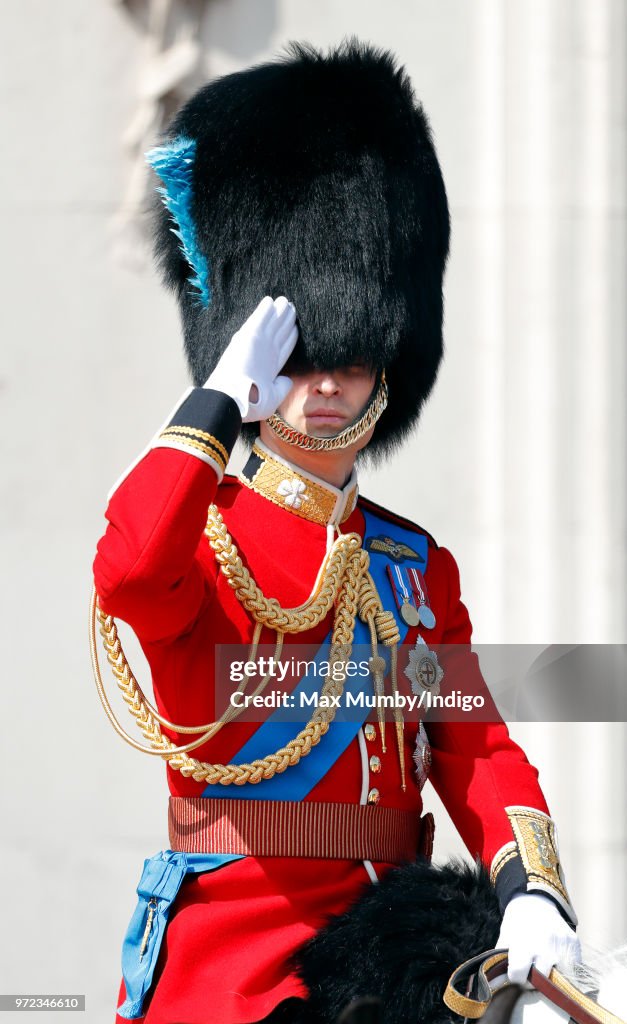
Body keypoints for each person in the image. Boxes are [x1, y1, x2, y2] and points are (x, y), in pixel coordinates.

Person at [93, 41, 579, 1024]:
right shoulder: (204, 534)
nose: (324, 385)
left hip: (393, 958)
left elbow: (474, 747)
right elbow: (130, 568)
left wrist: (533, 889)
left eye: (348, 358)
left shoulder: (410, 568)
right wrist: (220, 397)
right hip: (231, 966)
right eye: (301, 357)